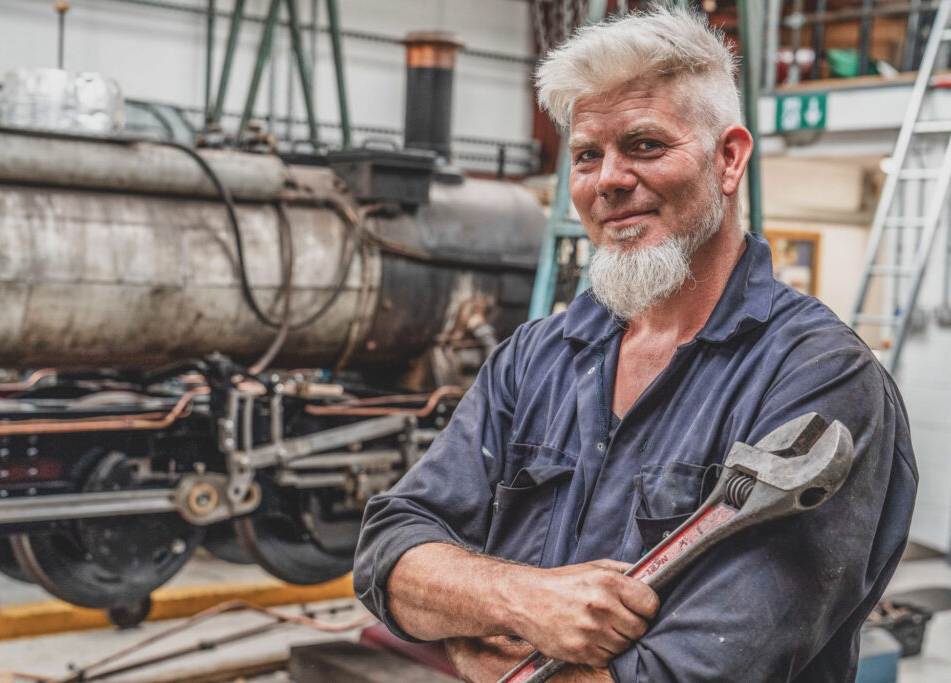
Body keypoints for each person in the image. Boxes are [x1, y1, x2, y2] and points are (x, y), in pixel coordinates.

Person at [354, 7, 917, 682]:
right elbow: (388, 551)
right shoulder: (535, 358)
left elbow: (693, 671)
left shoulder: (818, 377)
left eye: (646, 145)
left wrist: (474, 638)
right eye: (588, 155)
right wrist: (525, 600)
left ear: (729, 158)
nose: (609, 180)